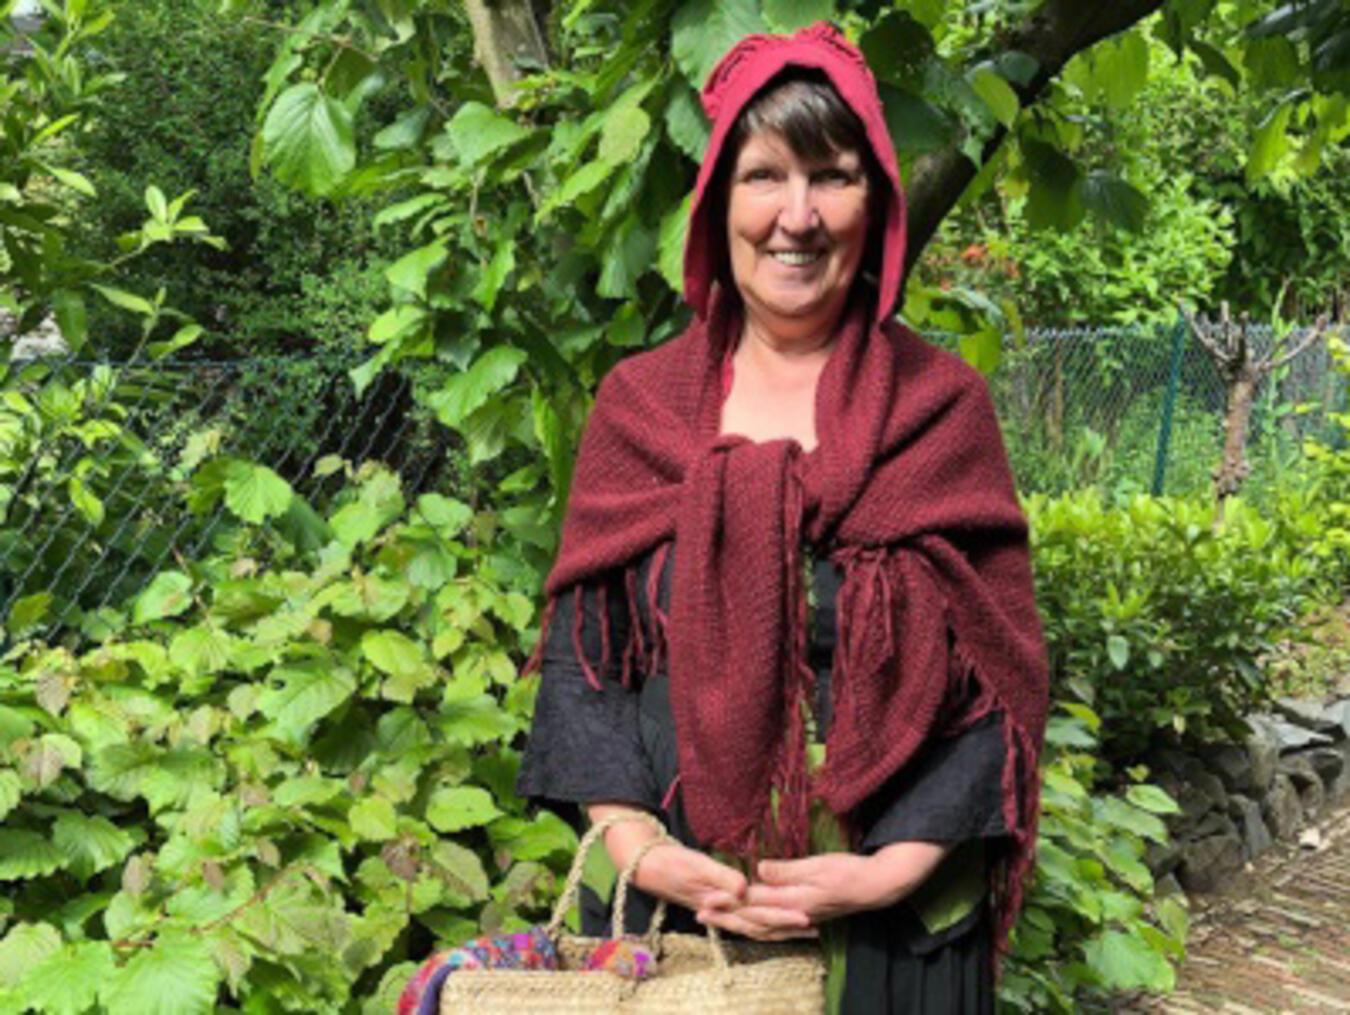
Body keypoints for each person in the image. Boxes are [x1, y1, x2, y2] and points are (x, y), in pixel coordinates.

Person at [517, 22, 1048, 1014]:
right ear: (717, 201)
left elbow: (997, 672)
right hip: (669, 927)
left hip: (899, 938)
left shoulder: (941, 413)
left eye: (832, 176)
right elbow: (584, 662)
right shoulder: (639, 412)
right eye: (764, 175)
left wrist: (895, 867)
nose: (796, 216)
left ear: (876, 203)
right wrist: (641, 847)